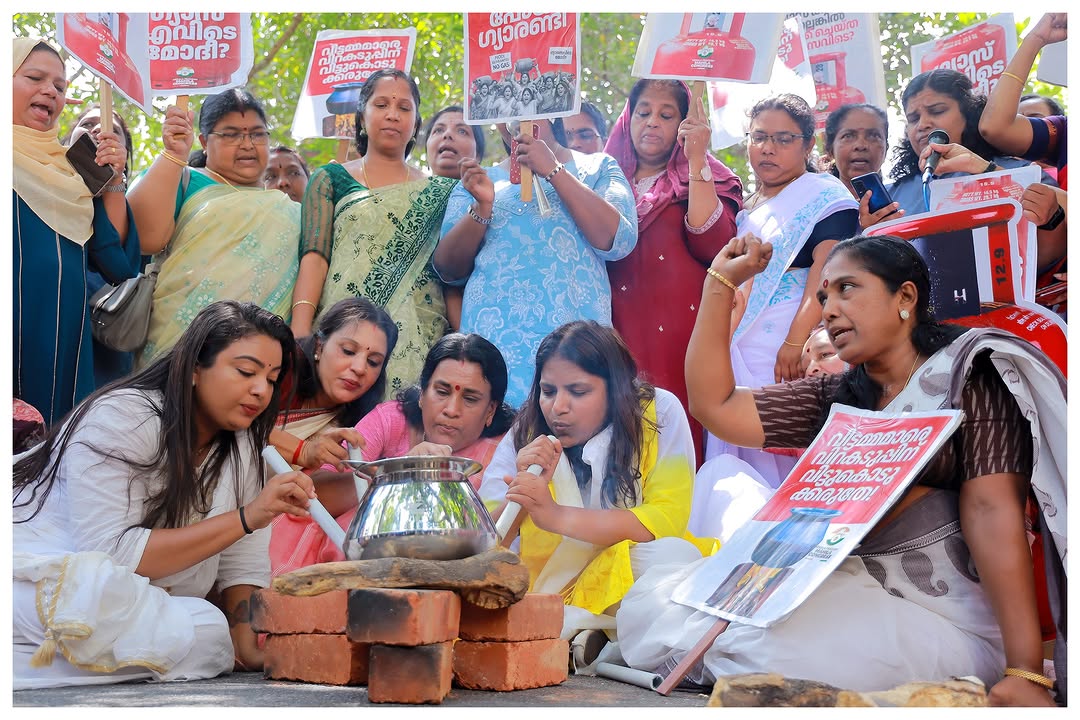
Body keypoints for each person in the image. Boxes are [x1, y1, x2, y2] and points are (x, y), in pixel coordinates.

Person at [617, 234, 1066, 707]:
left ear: (905, 297)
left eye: (847, 288)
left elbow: (992, 512)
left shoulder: (968, 375)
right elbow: (716, 406)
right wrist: (720, 284)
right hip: (843, 587)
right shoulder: (836, 395)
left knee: (760, 649)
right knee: (653, 601)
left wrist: (1025, 672)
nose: (828, 310)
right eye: (824, 296)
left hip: (943, 618)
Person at [13, 301, 320, 689]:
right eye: (246, 372)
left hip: (136, 605)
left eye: (272, 379)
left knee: (209, 632)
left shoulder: (243, 444)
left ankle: (29, 660)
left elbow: (242, 557)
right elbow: (112, 554)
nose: (261, 390)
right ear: (194, 368)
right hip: (39, 579)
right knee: (92, 602)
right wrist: (246, 517)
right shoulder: (122, 417)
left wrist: (245, 647)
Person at [481, 321, 708, 665]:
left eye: (578, 391)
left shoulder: (658, 412)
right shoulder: (526, 432)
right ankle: (596, 638)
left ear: (615, 390)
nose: (558, 407)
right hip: (549, 590)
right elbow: (485, 542)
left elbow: (666, 519)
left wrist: (556, 516)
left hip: (628, 574)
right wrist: (522, 491)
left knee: (674, 557)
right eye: (548, 391)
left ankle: (592, 636)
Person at [702, 94, 858, 489]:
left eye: (784, 139)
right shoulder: (745, 210)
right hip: (736, 344)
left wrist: (794, 342)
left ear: (808, 145)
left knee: (781, 441)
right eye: (759, 137)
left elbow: (825, 275)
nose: (768, 148)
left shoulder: (826, 196)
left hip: (787, 345)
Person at [270, 332, 517, 576]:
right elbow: (316, 495)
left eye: (470, 399)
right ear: (422, 394)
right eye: (442, 392)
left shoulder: (501, 453)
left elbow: (487, 543)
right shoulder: (392, 420)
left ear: (490, 411)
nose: (452, 410)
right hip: (334, 563)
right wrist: (398, 471)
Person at [434, 117, 637, 407]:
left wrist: (554, 170)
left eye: (525, 102)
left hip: (576, 358)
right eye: (503, 106)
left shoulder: (598, 167)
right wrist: (482, 207)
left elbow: (620, 241)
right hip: (491, 362)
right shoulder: (478, 180)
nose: (515, 116)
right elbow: (448, 270)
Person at [290, 69, 456, 398]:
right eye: (381, 105)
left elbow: (450, 275)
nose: (392, 114)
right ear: (362, 118)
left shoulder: (442, 192)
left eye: (404, 107)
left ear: (415, 125)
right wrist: (300, 330)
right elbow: (315, 258)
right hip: (343, 334)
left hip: (420, 338)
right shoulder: (331, 178)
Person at [604, 79, 742, 466]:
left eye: (667, 115)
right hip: (613, 326)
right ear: (628, 118)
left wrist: (696, 159)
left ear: (683, 124)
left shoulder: (707, 175)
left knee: (674, 433)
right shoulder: (602, 181)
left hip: (681, 333)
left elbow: (714, 245)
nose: (652, 122)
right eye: (643, 112)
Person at [13, 37, 139, 426]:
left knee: (50, 443)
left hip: (64, 341)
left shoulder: (73, 169)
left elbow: (116, 264)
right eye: (34, 77)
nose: (50, 90)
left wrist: (113, 180)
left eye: (59, 85)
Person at [128, 88, 301, 366]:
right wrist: (173, 154)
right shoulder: (181, 177)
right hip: (178, 346)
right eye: (231, 134)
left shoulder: (288, 210)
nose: (247, 144)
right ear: (204, 142)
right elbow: (145, 239)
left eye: (257, 134)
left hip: (260, 361)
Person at [876, 69, 1066, 279]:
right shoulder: (892, 195)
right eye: (913, 118)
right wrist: (871, 235)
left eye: (937, 111)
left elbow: (1049, 257)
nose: (923, 124)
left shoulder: (1023, 172)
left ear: (969, 115)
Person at [60, 102, 145, 389]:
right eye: (87, 124)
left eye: (113, 129)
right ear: (67, 139)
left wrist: (113, 179)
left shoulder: (125, 201)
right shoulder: (30, 180)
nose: (99, 129)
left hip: (100, 342)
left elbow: (117, 263)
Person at [271, 297, 398, 474]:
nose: (359, 368)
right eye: (348, 351)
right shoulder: (281, 368)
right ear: (319, 346)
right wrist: (302, 450)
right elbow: (239, 424)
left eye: (373, 362)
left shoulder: (358, 428)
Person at [422, 104, 487, 332]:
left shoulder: (493, 201)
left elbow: (454, 282)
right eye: (438, 130)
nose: (447, 135)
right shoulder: (402, 195)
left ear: (478, 154)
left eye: (462, 131)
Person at [823, 103, 890, 200]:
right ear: (830, 149)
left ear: (886, 148)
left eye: (873, 136)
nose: (861, 145)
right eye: (848, 136)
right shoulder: (815, 205)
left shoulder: (904, 202)